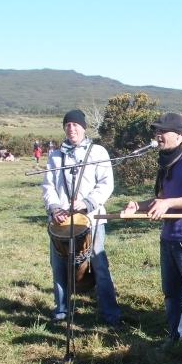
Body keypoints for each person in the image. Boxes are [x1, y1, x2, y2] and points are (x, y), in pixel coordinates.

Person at [121, 112, 182, 361]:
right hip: (169, 238)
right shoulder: (166, 161)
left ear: (179, 134)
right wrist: (137, 205)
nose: (158, 136)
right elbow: (161, 199)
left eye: (162, 132)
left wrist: (170, 203)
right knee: (172, 293)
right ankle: (176, 337)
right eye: (156, 132)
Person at [42, 109, 121, 325]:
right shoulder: (55, 156)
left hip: (92, 219)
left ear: (83, 127)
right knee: (58, 266)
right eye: (67, 125)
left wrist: (86, 203)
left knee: (99, 265)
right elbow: (48, 186)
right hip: (60, 222)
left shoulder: (98, 152)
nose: (71, 128)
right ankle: (61, 311)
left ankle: (110, 314)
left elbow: (106, 183)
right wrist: (54, 208)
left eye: (75, 125)